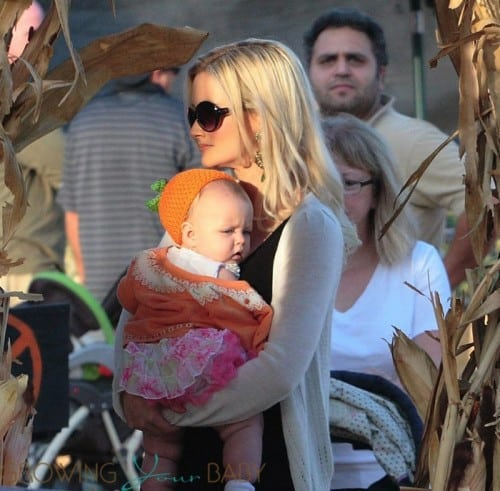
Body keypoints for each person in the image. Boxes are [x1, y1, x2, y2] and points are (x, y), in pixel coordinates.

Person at [113, 38, 359, 491]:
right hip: (180, 467)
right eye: (191, 115)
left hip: (268, 469)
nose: (194, 129)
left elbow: (280, 369)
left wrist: (166, 411)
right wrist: (128, 397)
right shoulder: (200, 207)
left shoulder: (311, 226)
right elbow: (139, 312)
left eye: (208, 114)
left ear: (260, 117)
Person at [118, 168, 273, 491]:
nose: (240, 241)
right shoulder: (219, 274)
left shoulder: (149, 264)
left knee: (160, 446)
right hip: (201, 364)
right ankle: (240, 481)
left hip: (154, 371)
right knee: (243, 423)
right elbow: (241, 310)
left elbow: (127, 297)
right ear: (189, 234)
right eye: (227, 231)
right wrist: (261, 324)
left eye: (245, 230)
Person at [304, 7, 475, 289]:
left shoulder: (414, 140)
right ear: (308, 73)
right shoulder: (301, 142)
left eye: (355, 59)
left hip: (396, 328)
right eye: (328, 60)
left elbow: (488, 204)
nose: (341, 69)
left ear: (381, 74)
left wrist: (435, 288)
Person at [322, 114, 450, 490]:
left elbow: (422, 381)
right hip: (300, 469)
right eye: (320, 184)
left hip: (394, 473)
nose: (332, 198)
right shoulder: (285, 267)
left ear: (379, 191)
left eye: (347, 183)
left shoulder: (419, 263)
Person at [58, 72, 200, 301]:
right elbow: (203, 201)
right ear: (158, 73)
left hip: (99, 285)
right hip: (160, 280)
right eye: (173, 74)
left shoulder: (84, 120)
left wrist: (86, 277)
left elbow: (72, 213)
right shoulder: (178, 118)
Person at [0, 1, 66, 303]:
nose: (39, 41)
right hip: (27, 277)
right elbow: (73, 176)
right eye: (30, 32)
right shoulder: (21, 106)